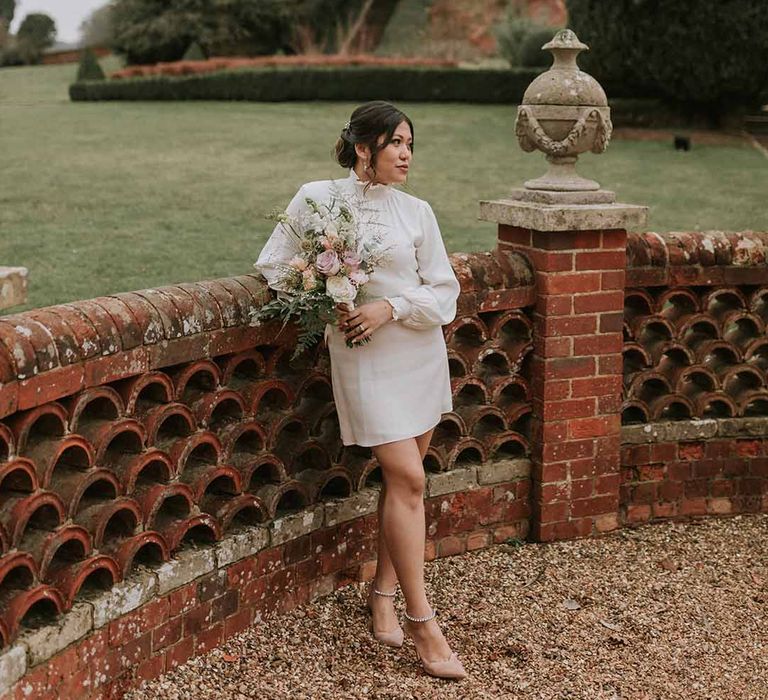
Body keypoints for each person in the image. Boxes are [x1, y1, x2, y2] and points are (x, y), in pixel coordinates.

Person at [254, 101, 466, 680]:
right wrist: (330, 298)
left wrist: (389, 306)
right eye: (396, 142)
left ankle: (381, 597)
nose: (406, 154)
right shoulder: (316, 197)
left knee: (404, 487)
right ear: (363, 147)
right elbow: (274, 266)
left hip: (418, 354)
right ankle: (425, 626)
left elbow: (443, 293)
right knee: (411, 480)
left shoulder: (417, 212)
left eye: (411, 144)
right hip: (363, 359)